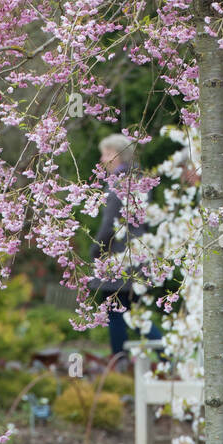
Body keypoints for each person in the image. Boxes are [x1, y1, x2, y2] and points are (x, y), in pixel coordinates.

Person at [87, 135, 158, 365]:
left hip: (118, 255)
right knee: (134, 313)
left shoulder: (118, 182)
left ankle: (118, 362)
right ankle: (166, 356)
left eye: (106, 153)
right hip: (137, 253)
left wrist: (96, 249)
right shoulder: (141, 181)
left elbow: (109, 224)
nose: (102, 159)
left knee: (115, 310)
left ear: (118, 155)